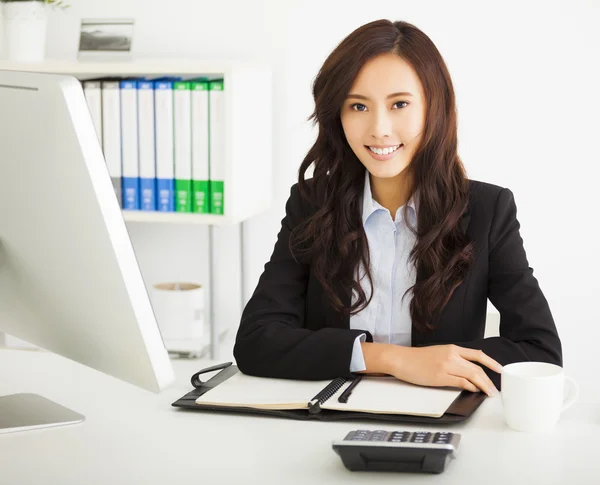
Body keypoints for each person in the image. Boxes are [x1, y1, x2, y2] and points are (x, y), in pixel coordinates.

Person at [233, 19, 562, 396]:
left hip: (434, 423)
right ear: (337, 115)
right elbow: (256, 340)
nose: (379, 129)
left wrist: (441, 363)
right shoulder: (312, 204)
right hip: (327, 417)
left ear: (434, 108)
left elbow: (540, 353)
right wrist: (394, 360)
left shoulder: (487, 210)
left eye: (400, 104)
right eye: (358, 106)